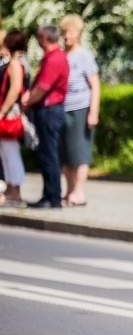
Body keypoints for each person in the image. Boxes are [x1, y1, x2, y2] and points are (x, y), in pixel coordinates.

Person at [22, 24, 69, 209]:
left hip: (49, 111)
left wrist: (28, 102)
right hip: (49, 110)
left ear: (44, 38)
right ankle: (49, 195)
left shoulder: (54, 58)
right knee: (47, 154)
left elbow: (42, 88)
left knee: (48, 154)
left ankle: (52, 197)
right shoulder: (54, 57)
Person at [59, 14, 100, 207]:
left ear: (79, 34)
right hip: (63, 107)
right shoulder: (61, 55)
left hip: (80, 107)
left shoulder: (84, 56)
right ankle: (69, 191)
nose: (67, 35)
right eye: (64, 31)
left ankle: (79, 192)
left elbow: (95, 85)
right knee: (66, 154)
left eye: (71, 31)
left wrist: (93, 112)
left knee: (80, 153)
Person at [0, 29, 31, 208]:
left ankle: (15, 192)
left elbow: (14, 89)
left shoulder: (14, 63)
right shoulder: (23, 61)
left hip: (10, 113)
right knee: (8, 153)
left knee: (10, 153)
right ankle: (12, 190)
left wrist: (2, 111)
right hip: (14, 112)